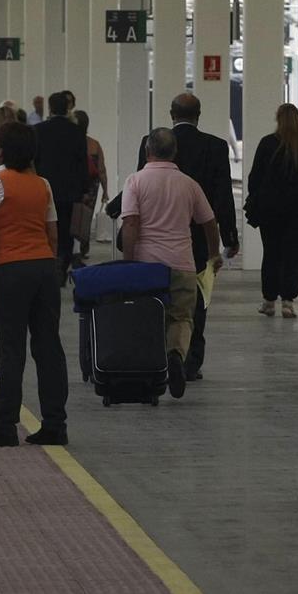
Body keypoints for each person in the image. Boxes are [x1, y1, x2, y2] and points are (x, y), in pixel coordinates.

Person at [0, 120, 69, 448]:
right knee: (48, 348)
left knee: (12, 350)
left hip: (13, 270)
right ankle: (55, 424)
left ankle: (6, 425)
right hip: (44, 269)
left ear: (1, 150)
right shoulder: (43, 184)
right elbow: (53, 234)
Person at [136, 93, 238, 381]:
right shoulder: (216, 147)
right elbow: (222, 196)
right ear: (199, 114)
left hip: (152, 238)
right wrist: (228, 237)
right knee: (195, 300)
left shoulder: (153, 141)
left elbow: (142, 183)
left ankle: (158, 357)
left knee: (155, 298)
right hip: (196, 240)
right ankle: (189, 360)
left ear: (171, 113)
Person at [120, 127, 221, 401]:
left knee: (148, 318)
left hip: (145, 264)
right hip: (182, 263)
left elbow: (130, 223)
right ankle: (176, 355)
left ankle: (151, 375)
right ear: (175, 152)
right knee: (181, 317)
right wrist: (214, 254)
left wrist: (127, 263)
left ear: (147, 151)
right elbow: (209, 223)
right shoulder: (189, 184)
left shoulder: (135, 181)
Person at [244, 103, 298, 319]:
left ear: (278, 119)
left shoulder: (268, 143)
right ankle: (288, 301)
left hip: (271, 207)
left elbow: (254, 177)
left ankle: (269, 301)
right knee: (296, 253)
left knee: (272, 252)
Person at [34, 91, 89, 285]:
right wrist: (84, 189)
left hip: (44, 188)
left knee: (45, 226)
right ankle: (61, 263)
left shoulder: (38, 130)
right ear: (67, 108)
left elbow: (34, 160)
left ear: (49, 108)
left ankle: (48, 262)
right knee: (65, 229)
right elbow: (83, 162)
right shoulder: (76, 132)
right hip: (68, 189)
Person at [71, 109, 108, 261]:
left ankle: (71, 244)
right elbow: (101, 170)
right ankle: (83, 246)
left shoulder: (69, 144)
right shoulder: (94, 144)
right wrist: (105, 191)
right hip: (91, 186)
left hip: (72, 184)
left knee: (71, 215)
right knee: (86, 215)